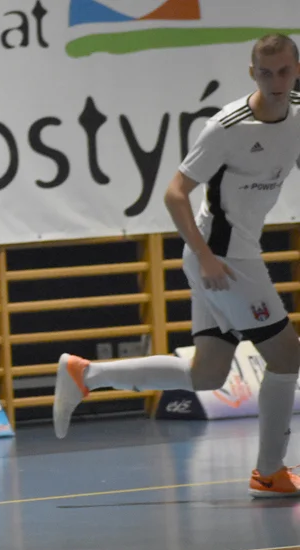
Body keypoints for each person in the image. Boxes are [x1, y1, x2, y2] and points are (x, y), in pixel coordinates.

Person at [54, 34, 300, 498]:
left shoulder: (297, 110)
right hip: (223, 257)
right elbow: (174, 192)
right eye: (265, 73)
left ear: (297, 70)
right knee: (288, 355)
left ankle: (85, 375)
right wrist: (206, 258)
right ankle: (270, 471)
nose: (275, 82)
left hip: (233, 253)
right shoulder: (228, 126)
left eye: (284, 72)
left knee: (208, 373)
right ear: (252, 73)